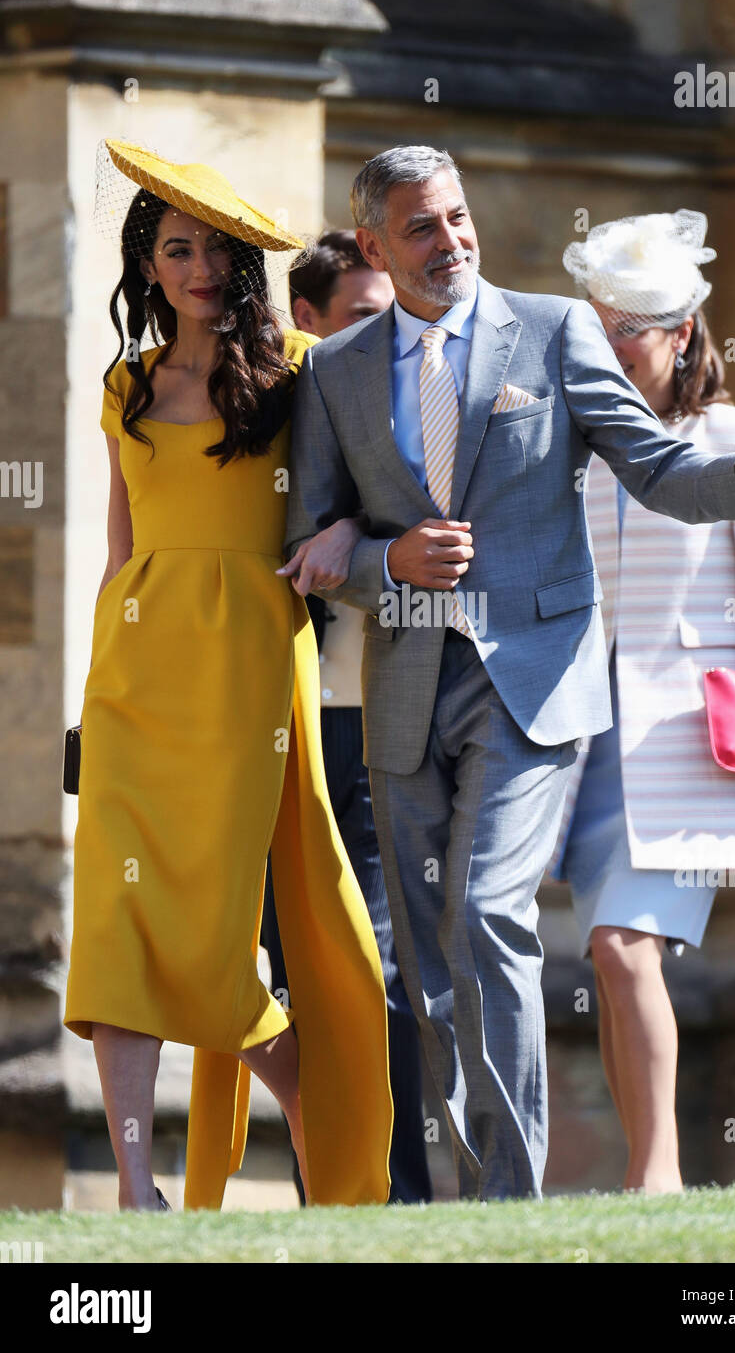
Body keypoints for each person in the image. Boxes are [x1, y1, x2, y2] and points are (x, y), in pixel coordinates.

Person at [281, 144, 735, 1201]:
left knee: (487, 908)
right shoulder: (335, 373)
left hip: (532, 680)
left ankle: (507, 1200)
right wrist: (381, 560)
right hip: (405, 686)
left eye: (456, 217)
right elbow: (312, 538)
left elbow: (656, 462)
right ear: (371, 246)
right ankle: (467, 1187)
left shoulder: (550, 329)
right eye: (420, 227)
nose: (450, 240)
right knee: (429, 962)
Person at [64, 139, 392, 1211]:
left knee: (207, 929)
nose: (199, 266)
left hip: (253, 672)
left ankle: (308, 1109)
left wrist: (340, 532)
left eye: (215, 249)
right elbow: (122, 555)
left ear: (244, 266)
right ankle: (132, 1192)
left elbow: (366, 501)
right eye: (175, 248)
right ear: (146, 264)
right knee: (116, 923)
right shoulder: (121, 385)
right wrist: (89, 698)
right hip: (135, 675)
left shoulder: (303, 372)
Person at [549, 210, 735, 1193]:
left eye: (627, 327)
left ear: (679, 330)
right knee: (604, 952)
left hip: (682, 737)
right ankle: (640, 1168)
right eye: (595, 325)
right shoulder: (565, 441)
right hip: (574, 736)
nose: (605, 344)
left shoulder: (734, 438)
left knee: (625, 947)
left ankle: (656, 1175)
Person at [262, 230, 432, 1205]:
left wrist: (355, 530)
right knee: (299, 970)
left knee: (382, 966)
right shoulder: (275, 416)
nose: (388, 334)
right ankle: (335, 1192)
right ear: (308, 325)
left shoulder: (424, 406)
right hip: (286, 726)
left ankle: (390, 1193)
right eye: (365, 316)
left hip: (389, 719)